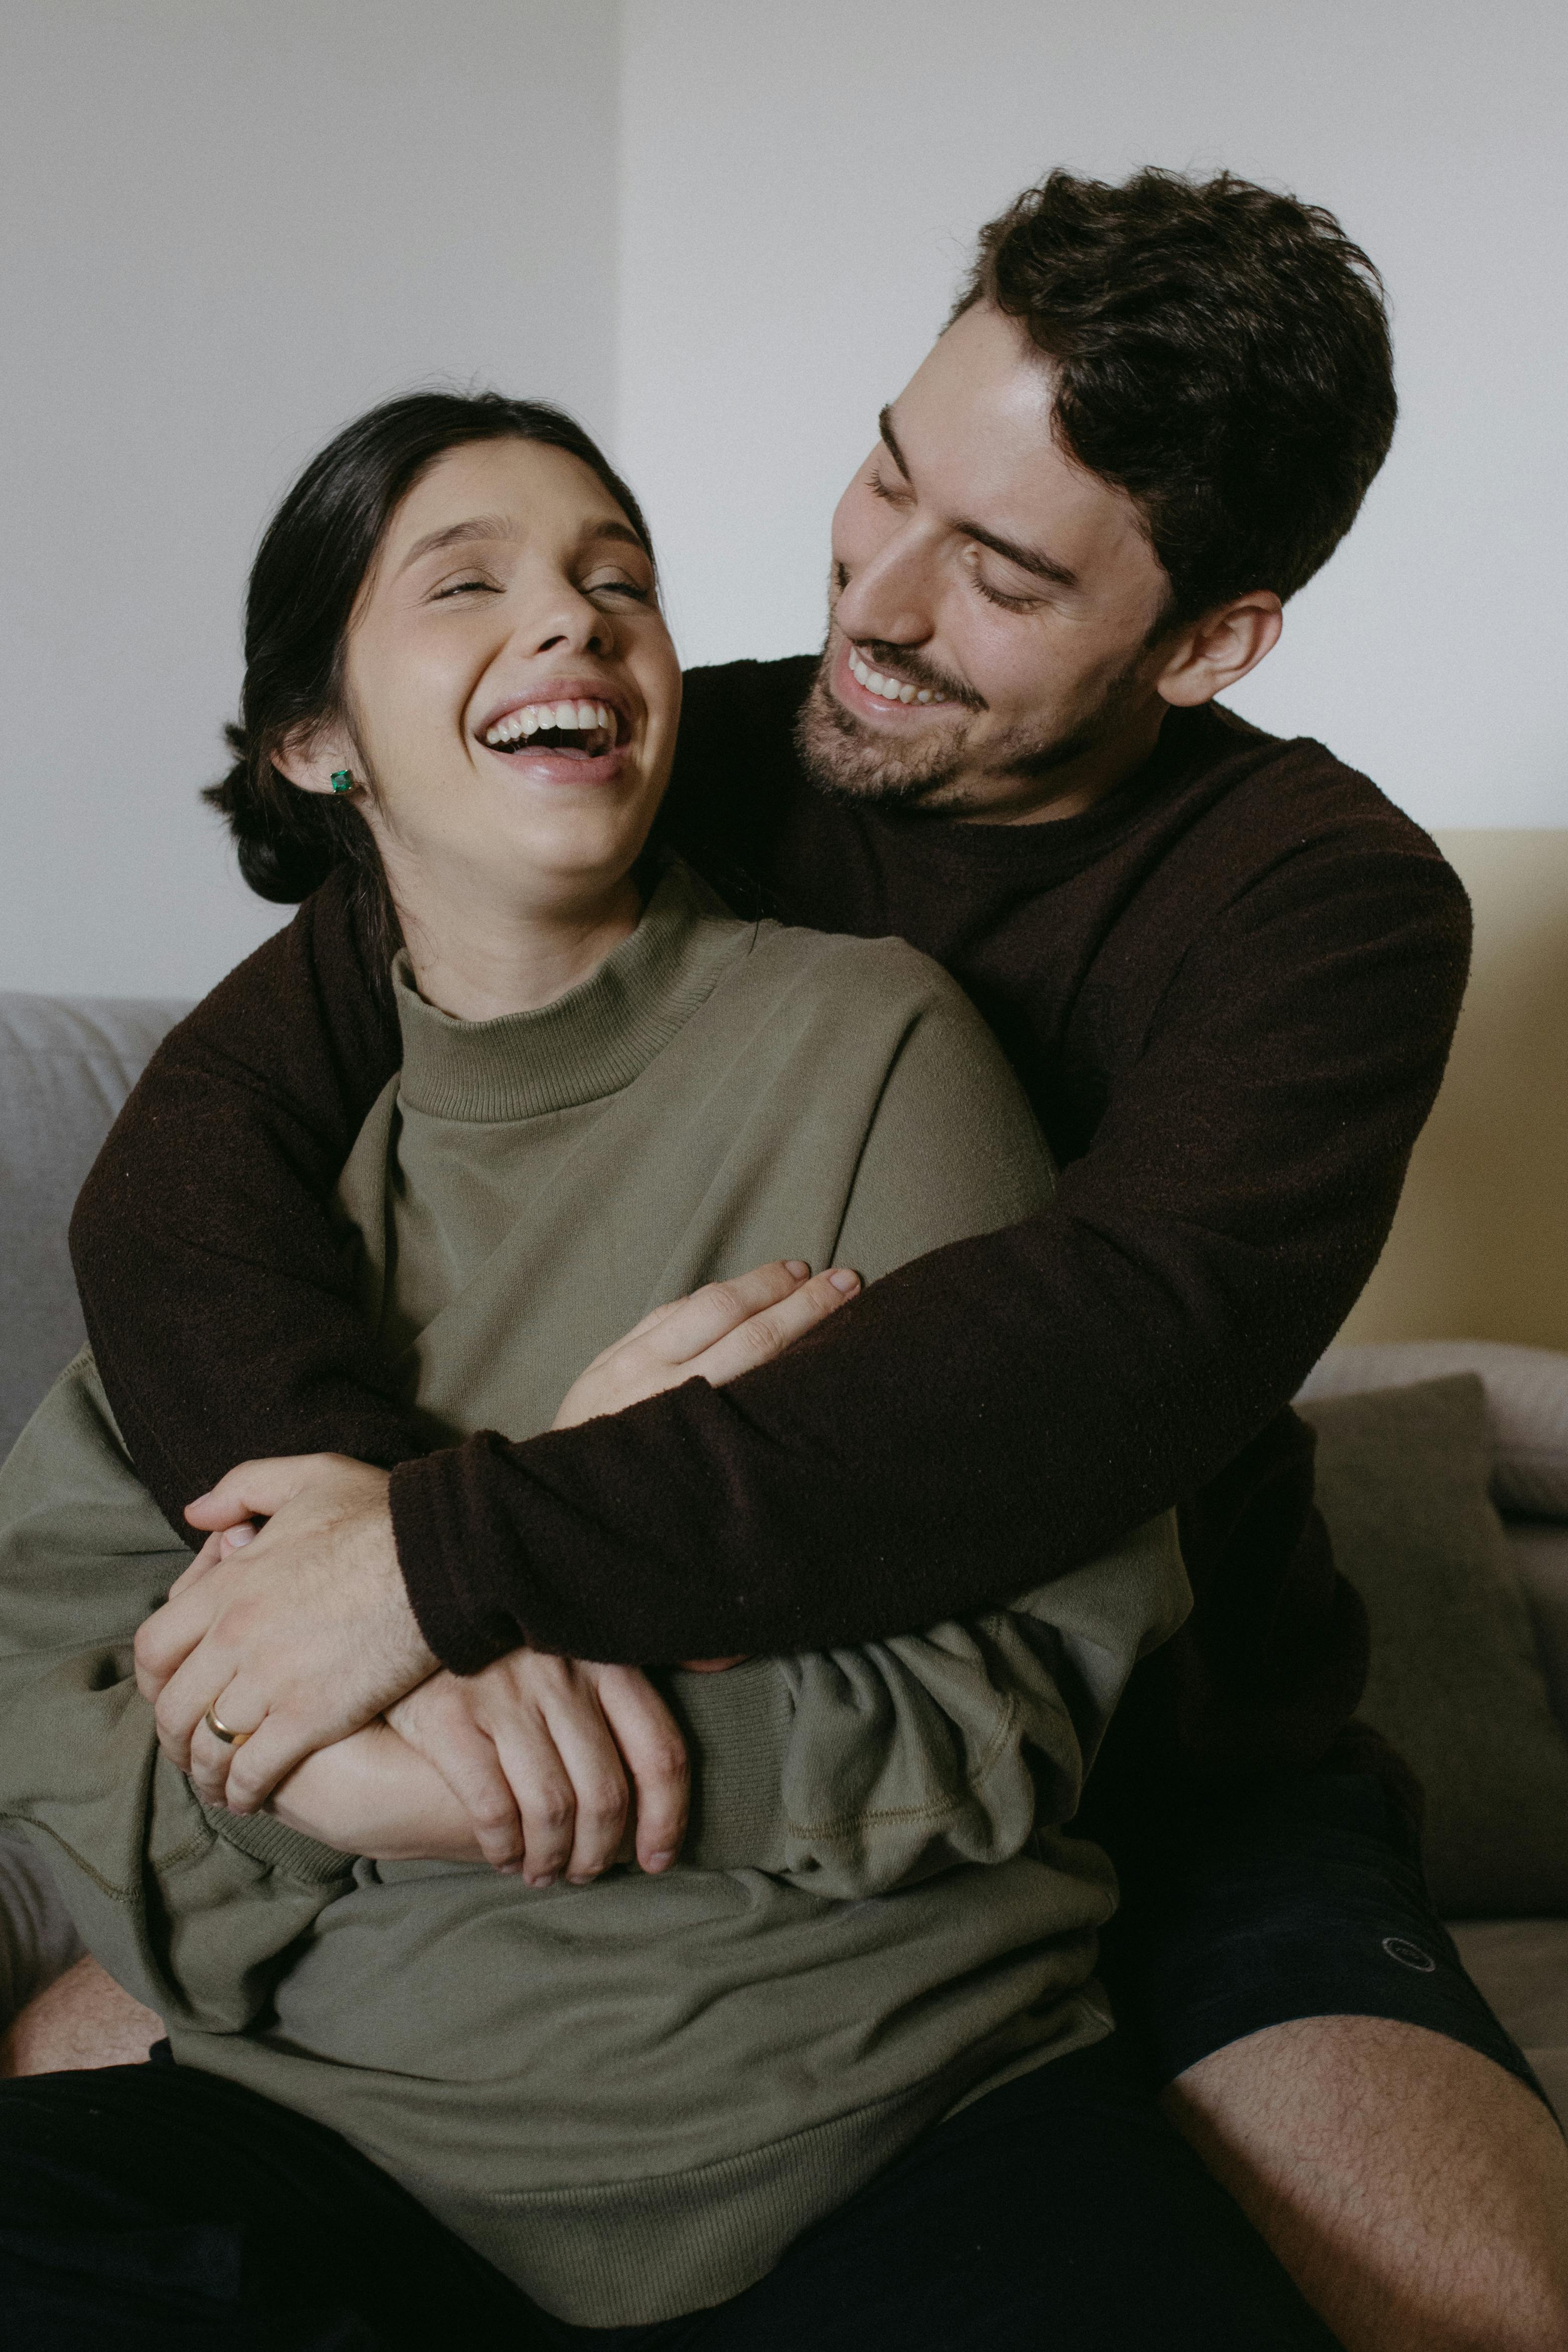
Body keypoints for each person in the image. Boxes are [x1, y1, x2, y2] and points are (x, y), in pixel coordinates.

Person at [59, 168, 1568, 2347]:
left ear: (1209, 634)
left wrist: (441, 1561)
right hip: (665, 1714)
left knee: (1477, 2306)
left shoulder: (1316, 905)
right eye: (885, 471)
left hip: (1163, 1775)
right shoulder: (681, 751)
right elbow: (192, 1150)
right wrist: (327, 1523)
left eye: (1006, 572)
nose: (876, 591)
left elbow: (1100, 1355)